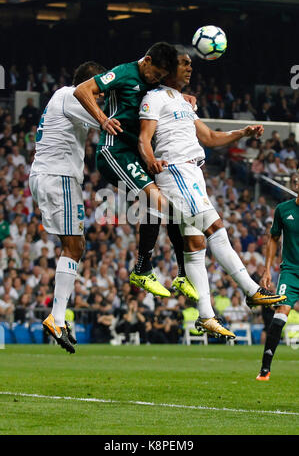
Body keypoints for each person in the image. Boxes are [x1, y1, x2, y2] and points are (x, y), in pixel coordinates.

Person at [137, 46, 286, 337]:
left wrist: (241, 133)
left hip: (193, 172)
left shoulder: (183, 102)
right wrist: (150, 159)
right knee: (216, 228)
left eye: (191, 63)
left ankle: (205, 315)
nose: (190, 68)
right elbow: (144, 137)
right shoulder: (154, 98)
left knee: (195, 245)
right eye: (184, 63)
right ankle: (252, 289)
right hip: (177, 171)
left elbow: (208, 136)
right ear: (168, 68)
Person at [73, 42, 197, 301]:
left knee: (169, 206)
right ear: (147, 61)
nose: (157, 79)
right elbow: (82, 90)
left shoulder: (156, 82)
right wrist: (102, 119)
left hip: (136, 156)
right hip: (115, 151)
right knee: (158, 200)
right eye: (156, 74)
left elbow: (165, 95)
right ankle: (142, 268)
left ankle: (183, 273)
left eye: (163, 77)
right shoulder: (123, 73)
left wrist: (182, 97)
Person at [29, 61, 106, 353]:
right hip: (57, 176)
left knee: (76, 245)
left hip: (51, 175)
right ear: (88, 83)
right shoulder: (72, 95)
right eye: (99, 89)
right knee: (74, 246)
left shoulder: (64, 98)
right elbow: (109, 121)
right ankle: (56, 317)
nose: (100, 96)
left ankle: (58, 317)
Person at [256, 173, 299, 380]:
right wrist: (267, 270)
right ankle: (265, 367)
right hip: (290, 272)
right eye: (296, 180)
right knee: (281, 312)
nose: (297, 183)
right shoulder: (283, 209)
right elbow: (273, 239)